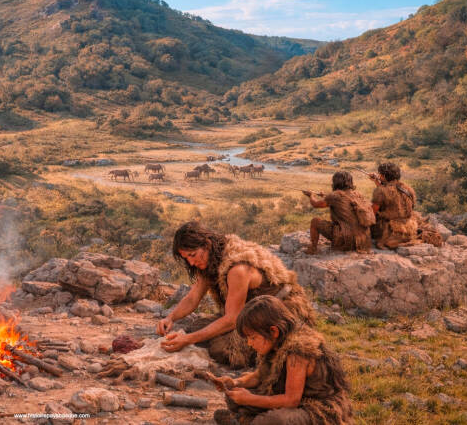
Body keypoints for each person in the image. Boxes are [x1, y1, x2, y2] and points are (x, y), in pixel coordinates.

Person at [157, 222, 315, 368]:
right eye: (187, 258)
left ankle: (272, 352)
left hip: (278, 314)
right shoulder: (210, 260)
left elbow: (232, 320)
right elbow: (193, 298)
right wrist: (170, 318)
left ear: (207, 244)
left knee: (221, 349)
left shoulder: (236, 268)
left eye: (192, 255)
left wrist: (188, 340)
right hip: (246, 313)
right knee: (195, 328)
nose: (191, 263)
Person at [211, 296, 353, 425]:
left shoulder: (297, 352)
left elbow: (291, 400)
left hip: (316, 407)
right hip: (294, 404)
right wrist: (235, 382)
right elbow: (259, 376)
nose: (249, 343)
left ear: (273, 331)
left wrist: (249, 399)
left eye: (252, 338)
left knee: (275, 420)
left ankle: (245, 421)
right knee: (234, 395)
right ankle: (244, 420)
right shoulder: (275, 343)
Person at [304, 171, 374, 254]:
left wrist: (311, 195)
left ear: (335, 182)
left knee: (315, 221)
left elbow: (315, 204)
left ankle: (313, 248)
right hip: (363, 241)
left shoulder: (334, 196)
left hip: (345, 240)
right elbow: (344, 200)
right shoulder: (358, 195)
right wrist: (326, 197)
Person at [370, 163, 417, 248]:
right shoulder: (408, 189)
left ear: (383, 176)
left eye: (379, 174)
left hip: (390, 231)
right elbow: (391, 193)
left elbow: (372, 213)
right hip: (409, 229)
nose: (379, 176)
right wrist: (377, 182)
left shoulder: (380, 191)